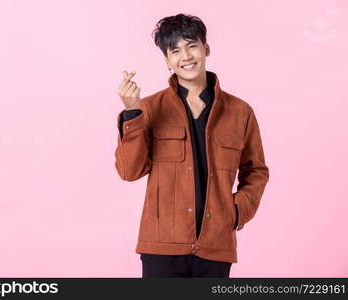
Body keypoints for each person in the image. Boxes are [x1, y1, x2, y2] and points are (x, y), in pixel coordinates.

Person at [114, 13, 269, 277]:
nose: (185, 56)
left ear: (206, 48)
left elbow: (256, 171)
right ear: (167, 61)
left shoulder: (240, 112)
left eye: (192, 45)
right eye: (175, 50)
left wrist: (236, 211)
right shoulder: (149, 108)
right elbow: (130, 171)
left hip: (216, 245)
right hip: (161, 247)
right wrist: (132, 113)